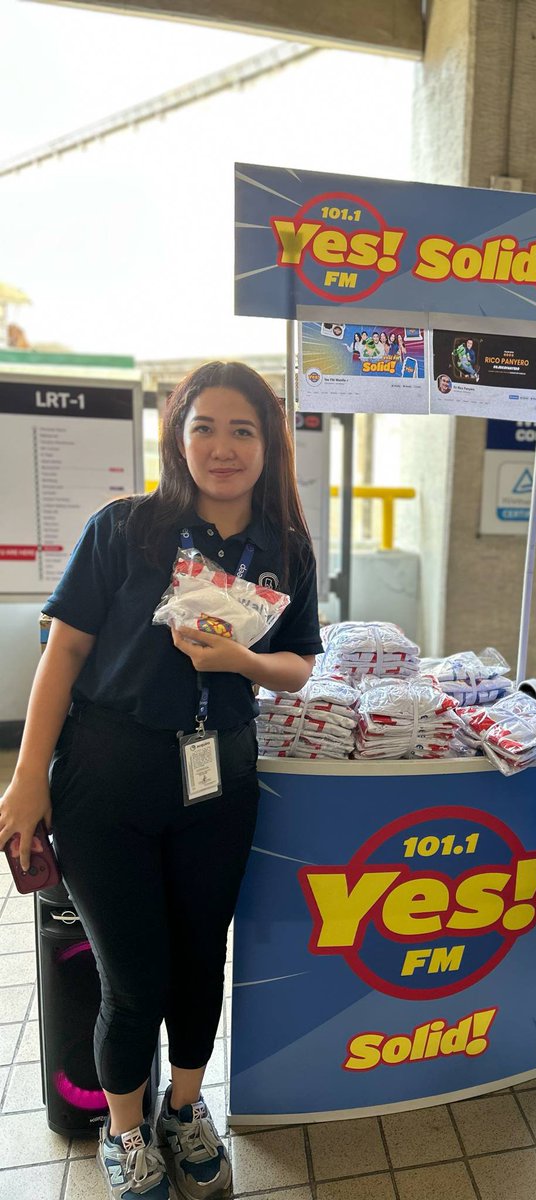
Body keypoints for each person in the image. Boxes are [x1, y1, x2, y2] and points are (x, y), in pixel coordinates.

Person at [0, 361, 322, 1200]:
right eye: (204, 426)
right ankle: (126, 1131)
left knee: (196, 961)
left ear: (268, 443)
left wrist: (240, 659)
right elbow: (63, 653)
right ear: (178, 437)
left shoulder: (284, 547)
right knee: (132, 976)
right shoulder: (127, 529)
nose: (223, 446)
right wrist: (28, 778)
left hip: (219, 783)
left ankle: (184, 1111)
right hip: (107, 782)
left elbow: (298, 669)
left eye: (243, 430)